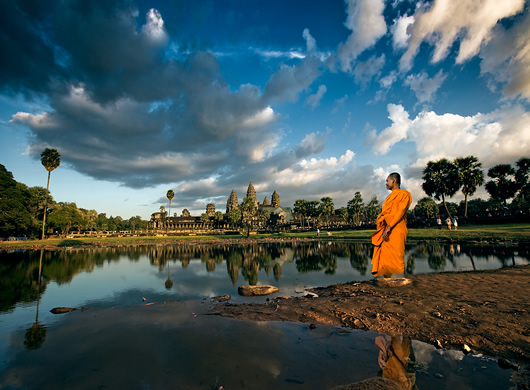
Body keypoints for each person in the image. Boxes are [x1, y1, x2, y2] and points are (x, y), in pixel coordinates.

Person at [371, 173, 412, 278]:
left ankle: (399, 281)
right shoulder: (389, 197)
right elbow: (385, 213)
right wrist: (382, 216)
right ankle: (387, 282)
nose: (386, 183)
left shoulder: (404, 194)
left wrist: (390, 227)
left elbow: (401, 212)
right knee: (385, 257)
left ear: (393, 181)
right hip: (386, 231)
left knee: (396, 256)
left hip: (396, 229)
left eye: (387, 181)